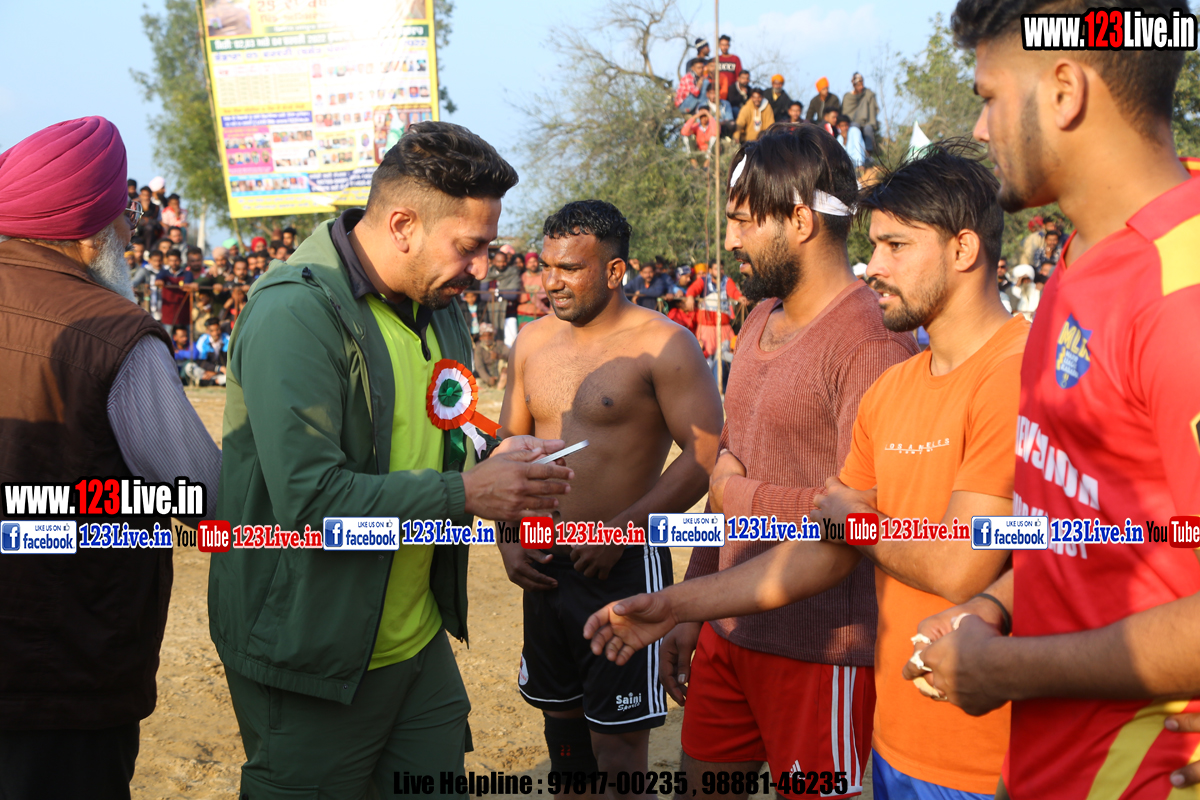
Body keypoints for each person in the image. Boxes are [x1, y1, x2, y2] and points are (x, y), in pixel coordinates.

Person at [585, 140, 1027, 800]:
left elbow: (951, 560)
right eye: (875, 245)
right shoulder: (888, 383)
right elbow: (824, 538)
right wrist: (681, 604)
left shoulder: (992, 368)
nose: (875, 266)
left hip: (896, 694)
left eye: (895, 246)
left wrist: (759, 499)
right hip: (884, 719)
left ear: (963, 249)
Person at [209, 121, 574, 799]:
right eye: (470, 247)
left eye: (488, 248)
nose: (482, 269)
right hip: (311, 652)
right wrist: (468, 495)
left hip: (417, 641)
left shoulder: (439, 306)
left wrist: (499, 458)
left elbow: (437, 436)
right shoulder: (295, 314)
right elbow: (311, 503)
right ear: (403, 225)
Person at [915, 6, 1200, 793]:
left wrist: (1007, 669)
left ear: (1065, 89)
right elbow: (1107, 533)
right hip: (1053, 763)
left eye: (990, 96)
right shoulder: (1084, 252)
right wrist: (1001, 606)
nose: (981, 127)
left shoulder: (1183, 298)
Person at [0, 116, 220, 800]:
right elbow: (204, 498)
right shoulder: (116, 333)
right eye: (124, 216)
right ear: (90, 231)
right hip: (63, 673)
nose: (130, 230)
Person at [498, 199, 723, 796]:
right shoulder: (530, 342)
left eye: (570, 268)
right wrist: (507, 538)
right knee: (563, 736)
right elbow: (506, 449)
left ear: (615, 270)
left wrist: (623, 529)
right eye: (546, 266)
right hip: (543, 564)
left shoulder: (665, 344)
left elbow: (704, 454)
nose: (551, 282)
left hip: (622, 569)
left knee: (619, 749)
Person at [156, 247, 196, 335]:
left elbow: (187, 284)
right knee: (168, 338)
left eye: (176, 260)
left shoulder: (187, 273)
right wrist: (159, 281)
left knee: (186, 338)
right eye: (171, 260)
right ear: (168, 261)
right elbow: (158, 280)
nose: (174, 263)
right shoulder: (163, 273)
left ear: (180, 260)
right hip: (168, 314)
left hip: (184, 314)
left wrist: (188, 285)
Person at [841, 72, 879, 153]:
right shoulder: (848, 97)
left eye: (862, 84)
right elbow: (845, 114)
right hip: (852, 122)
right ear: (854, 85)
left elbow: (872, 110)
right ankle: (855, 151)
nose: (861, 87)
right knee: (855, 128)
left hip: (865, 122)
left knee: (868, 129)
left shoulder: (868, 94)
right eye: (858, 85)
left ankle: (868, 153)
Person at [193, 316, 229, 386]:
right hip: (207, 371)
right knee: (190, 367)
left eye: (217, 329)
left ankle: (209, 382)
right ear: (207, 331)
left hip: (222, 372)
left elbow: (228, 362)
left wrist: (217, 371)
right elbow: (201, 362)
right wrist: (218, 369)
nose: (215, 333)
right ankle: (214, 381)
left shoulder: (227, 339)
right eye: (212, 331)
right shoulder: (203, 340)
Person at [472, 322, 509, 388]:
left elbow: (511, 356)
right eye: (484, 336)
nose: (487, 338)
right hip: (485, 377)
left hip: (499, 375)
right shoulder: (478, 348)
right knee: (476, 382)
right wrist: (488, 379)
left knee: (505, 364)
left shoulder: (500, 344)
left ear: (493, 335)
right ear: (481, 337)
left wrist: (499, 356)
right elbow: (479, 367)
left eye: (489, 335)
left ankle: (500, 387)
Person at [517, 252, 548, 328]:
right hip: (523, 314)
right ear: (526, 264)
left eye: (534, 261)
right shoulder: (522, 277)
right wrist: (532, 296)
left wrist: (529, 296)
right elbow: (519, 297)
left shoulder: (544, 276)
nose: (533, 264)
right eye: (530, 262)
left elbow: (545, 295)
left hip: (540, 313)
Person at [716, 34, 742, 101]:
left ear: (729, 45)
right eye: (722, 45)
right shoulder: (716, 59)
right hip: (719, 92)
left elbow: (739, 75)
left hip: (732, 91)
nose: (724, 47)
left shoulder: (735, 59)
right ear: (719, 45)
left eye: (726, 45)